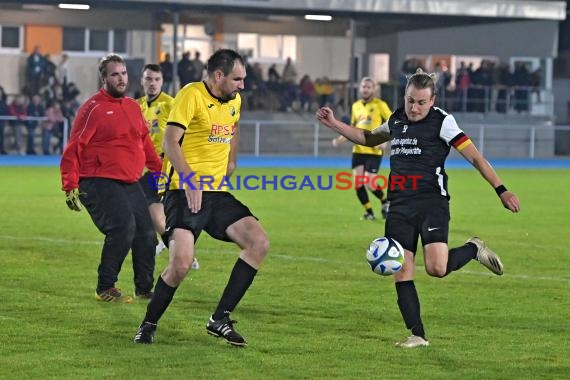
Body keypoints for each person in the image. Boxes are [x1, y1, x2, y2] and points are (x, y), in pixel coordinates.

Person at [316, 68, 520, 348]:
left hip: (431, 202)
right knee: (403, 270)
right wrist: (335, 124)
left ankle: (474, 248)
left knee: (437, 268)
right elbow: (368, 139)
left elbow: (476, 158)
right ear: (405, 96)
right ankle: (418, 334)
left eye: (421, 102)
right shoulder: (397, 118)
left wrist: (501, 189)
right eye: (411, 100)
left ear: (433, 99)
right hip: (399, 204)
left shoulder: (443, 122)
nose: (414, 107)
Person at [133, 49, 269, 347]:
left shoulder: (234, 100)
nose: (242, 85)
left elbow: (232, 131)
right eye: (237, 79)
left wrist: (232, 162)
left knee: (258, 243)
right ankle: (148, 323)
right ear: (218, 76)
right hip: (183, 191)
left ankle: (219, 318)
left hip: (216, 192)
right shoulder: (190, 95)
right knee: (181, 264)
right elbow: (170, 141)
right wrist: (190, 178)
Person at [60, 53, 163, 303]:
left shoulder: (132, 107)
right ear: (104, 78)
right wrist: (69, 184)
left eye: (124, 73)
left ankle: (144, 289)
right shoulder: (92, 109)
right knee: (123, 226)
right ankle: (105, 287)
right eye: (115, 74)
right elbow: (73, 147)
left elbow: (146, 144)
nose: (121, 78)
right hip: (96, 179)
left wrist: (161, 173)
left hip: (128, 181)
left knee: (147, 233)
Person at [136, 63, 199, 268]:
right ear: (142, 81)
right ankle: (174, 248)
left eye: (156, 79)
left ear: (162, 82)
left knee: (153, 213)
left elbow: (185, 135)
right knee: (148, 213)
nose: (152, 83)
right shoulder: (136, 107)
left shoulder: (171, 104)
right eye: (148, 79)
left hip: (162, 167)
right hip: (141, 168)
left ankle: (181, 252)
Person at [332, 77, 392, 220]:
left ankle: (385, 202)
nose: (365, 89)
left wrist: (385, 140)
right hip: (358, 151)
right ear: (360, 89)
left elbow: (394, 122)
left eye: (368, 87)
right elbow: (352, 129)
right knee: (358, 184)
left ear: (373, 89)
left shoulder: (380, 105)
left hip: (374, 150)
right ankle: (369, 212)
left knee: (370, 183)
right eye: (363, 87)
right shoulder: (356, 106)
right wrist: (339, 140)